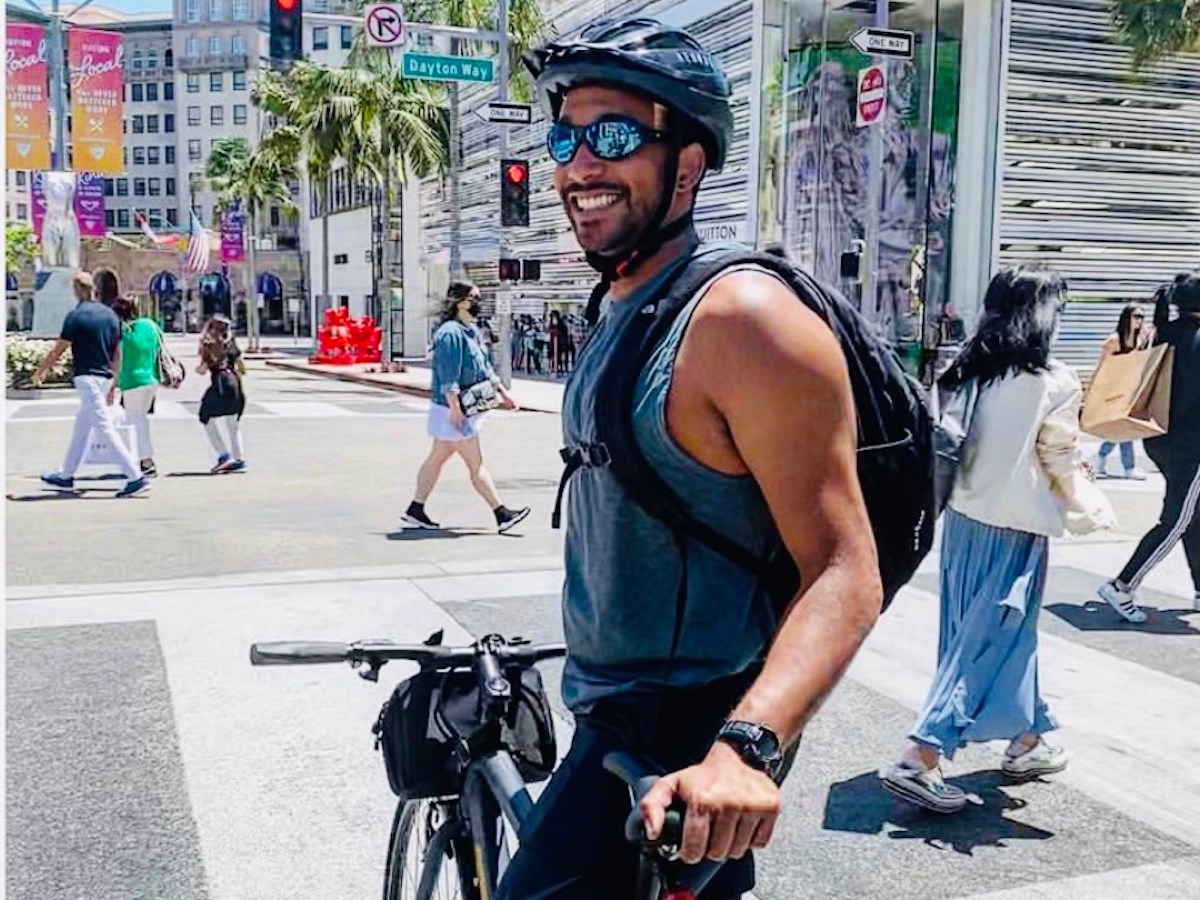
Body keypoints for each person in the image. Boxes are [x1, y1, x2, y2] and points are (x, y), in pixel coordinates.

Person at [498, 20, 882, 899]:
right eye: (567, 137)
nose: (580, 165)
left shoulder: (742, 321)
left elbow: (844, 569)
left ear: (691, 165)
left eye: (617, 136)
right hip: (609, 706)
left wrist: (746, 750)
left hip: (688, 742)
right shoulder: (624, 302)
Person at [881, 267, 1114, 813]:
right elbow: (1056, 455)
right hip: (1017, 527)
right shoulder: (1053, 381)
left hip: (963, 522)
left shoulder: (968, 368)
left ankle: (1028, 739)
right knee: (992, 639)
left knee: (980, 635)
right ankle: (921, 755)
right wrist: (1086, 498)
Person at [1099, 273, 1200, 620]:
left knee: (1193, 515)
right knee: (1176, 519)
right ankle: (1122, 585)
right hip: (1192, 446)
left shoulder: (1162, 333)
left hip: (1158, 441)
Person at [402, 281, 531, 534]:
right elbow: (448, 376)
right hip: (453, 410)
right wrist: (455, 410)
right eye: (474, 298)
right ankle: (501, 513)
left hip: (460, 409)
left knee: (436, 460)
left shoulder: (469, 330)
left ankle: (415, 509)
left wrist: (503, 393)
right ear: (460, 301)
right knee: (475, 464)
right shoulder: (450, 333)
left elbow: (484, 368)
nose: (478, 302)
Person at [34, 271, 150, 498]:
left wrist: (42, 370)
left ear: (76, 290)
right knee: (83, 427)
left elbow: (60, 348)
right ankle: (66, 475)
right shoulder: (110, 316)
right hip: (105, 377)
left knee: (103, 427)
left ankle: (134, 475)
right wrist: (115, 380)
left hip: (87, 377)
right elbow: (118, 353)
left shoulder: (75, 316)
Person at [1092, 302, 1152, 480]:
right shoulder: (1114, 341)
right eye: (1136, 316)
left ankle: (1101, 456)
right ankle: (1128, 467)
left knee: (1121, 428)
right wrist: (1092, 391)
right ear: (1127, 318)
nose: (1140, 321)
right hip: (1113, 390)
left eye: (1142, 317)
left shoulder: (1139, 340)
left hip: (1130, 389)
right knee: (1124, 427)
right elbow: (1101, 367)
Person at [113, 296, 162, 478]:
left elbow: (117, 357)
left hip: (132, 380)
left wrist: (113, 382)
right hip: (152, 379)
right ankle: (140, 459)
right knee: (140, 419)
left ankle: (145, 461)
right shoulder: (150, 325)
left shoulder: (123, 331)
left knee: (135, 421)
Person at [197, 315, 247, 474]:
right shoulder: (231, 344)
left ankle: (224, 455)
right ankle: (239, 458)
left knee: (205, 416)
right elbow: (243, 368)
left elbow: (203, 369)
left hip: (220, 383)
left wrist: (201, 368)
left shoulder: (210, 345)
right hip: (235, 383)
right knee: (233, 423)